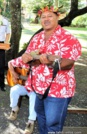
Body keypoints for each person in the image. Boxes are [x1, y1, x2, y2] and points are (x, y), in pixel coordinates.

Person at [9, 5, 82, 133]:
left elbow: (69, 63)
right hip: (38, 88)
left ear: (57, 17)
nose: (46, 19)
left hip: (59, 90)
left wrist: (50, 61)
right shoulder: (37, 38)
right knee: (41, 119)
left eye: (50, 16)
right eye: (43, 17)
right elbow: (33, 60)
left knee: (52, 124)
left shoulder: (68, 38)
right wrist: (27, 58)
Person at [7, 65, 36, 133]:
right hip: (22, 85)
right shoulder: (21, 61)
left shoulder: (39, 64)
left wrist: (21, 77)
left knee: (34, 97)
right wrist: (14, 74)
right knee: (13, 90)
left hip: (33, 88)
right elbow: (10, 63)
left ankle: (31, 121)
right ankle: (14, 109)